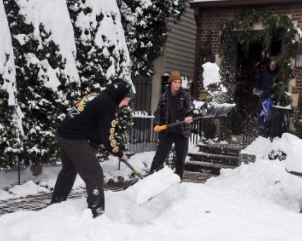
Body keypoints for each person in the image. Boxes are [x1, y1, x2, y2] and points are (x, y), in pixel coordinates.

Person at [51, 77, 134, 217]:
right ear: (120, 95)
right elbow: (107, 136)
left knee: (69, 170)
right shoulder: (108, 106)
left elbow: (90, 123)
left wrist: (101, 141)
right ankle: (97, 212)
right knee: (95, 173)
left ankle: (56, 205)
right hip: (74, 138)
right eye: (127, 99)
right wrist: (119, 153)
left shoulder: (98, 96)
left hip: (63, 133)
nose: (127, 103)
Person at [149, 70, 195, 177]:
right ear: (170, 83)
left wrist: (189, 116)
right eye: (175, 82)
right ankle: (149, 178)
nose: (177, 85)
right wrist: (156, 124)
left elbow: (191, 109)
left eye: (179, 83)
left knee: (180, 160)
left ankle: (178, 181)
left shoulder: (185, 96)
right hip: (167, 132)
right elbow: (158, 114)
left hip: (182, 133)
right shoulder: (164, 97)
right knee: (158, 158)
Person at [254, 58, 278, 136]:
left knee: (268, 118)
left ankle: (266, 134)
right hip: (262, 98)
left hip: (271, 99)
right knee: (260, 115)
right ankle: (258, 134)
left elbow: (279, 87)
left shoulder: (277, 74)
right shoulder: (264, 72)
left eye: (274, 65)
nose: (273, 66)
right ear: (269, 65)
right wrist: (256, 90)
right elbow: (258, 82)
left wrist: (275, 94)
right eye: (271, 65)